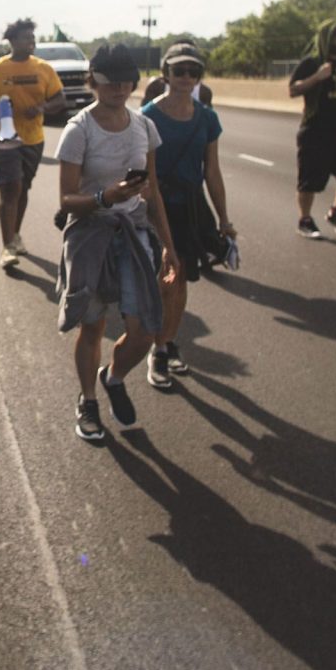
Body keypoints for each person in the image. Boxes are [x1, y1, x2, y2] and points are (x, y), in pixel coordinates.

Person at [54, 44, 181, 442]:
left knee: (145, 329)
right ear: (93, 81)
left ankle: (113, 376)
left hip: (133, 231)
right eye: (110, 83)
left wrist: (169, 246)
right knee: (92, 326)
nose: (120, 90)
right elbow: (66, 199)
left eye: (127, 82)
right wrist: (104, 197)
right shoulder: (79, 130)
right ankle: (88, 401)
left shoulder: (144, 126)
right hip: (91, 234)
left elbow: (153, 190)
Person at [140, 42, 235, 388]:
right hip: (155, 206)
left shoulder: (207, 118)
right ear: (165, 73)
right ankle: (157, 344)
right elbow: (139, 172)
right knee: (163, 277)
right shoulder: (147, 116)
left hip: (190, 208)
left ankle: (165, 344)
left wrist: (224, 219)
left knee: (179, 279)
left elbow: (212, 171)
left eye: (192, 71)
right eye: (178, 70)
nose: (185, 77)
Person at [0, 19, 64, 270]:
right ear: (12, 41)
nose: (31, 42)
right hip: (3, 142)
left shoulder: (44, 69)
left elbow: (59, 100)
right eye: (25, 38)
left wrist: (42, 108)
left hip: (33, 139)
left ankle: (15, 235)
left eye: (33, 37)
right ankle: (7, 247)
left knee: (22, 190)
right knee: (10, 189)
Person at [288, 19, 336, 239]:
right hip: (316, 130)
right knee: (309, 179)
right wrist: (317, 77)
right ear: (327, 38)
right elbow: (293, 90)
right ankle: (305, 219)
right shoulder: (312, 63)